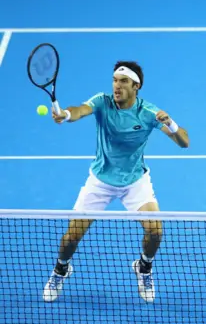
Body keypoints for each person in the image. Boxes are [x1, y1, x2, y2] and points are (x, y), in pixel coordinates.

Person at [42, 61, 190, 303]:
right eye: (114, 80)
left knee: (155, 232)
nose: (116, 86)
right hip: (100, 181)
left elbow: (184, 142)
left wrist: (171, 123)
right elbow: (80, 110)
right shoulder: (102, 101)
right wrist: (65, 114)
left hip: (135, 182)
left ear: (136, 86)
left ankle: (143, 267)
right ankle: (61, 270)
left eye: (123, 81)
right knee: (70, 239)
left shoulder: (149, 113)